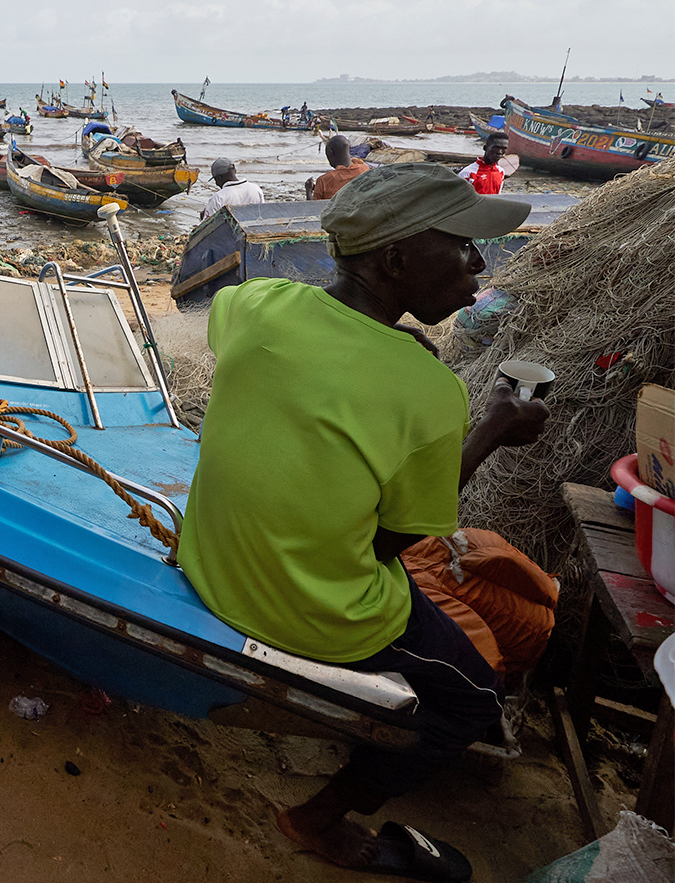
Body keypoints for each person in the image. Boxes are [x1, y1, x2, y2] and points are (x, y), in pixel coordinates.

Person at [176, 162, 548, 879]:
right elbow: (395, 543)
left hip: (208, 562)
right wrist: (491, 432)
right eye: (465, 244)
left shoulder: (257, 304)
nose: (480, 261)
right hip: (306, 612)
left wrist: (365, 333)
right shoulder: (432, 394)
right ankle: (316, 819)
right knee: (472, 699)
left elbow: (257, 321)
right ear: (398, 261)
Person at [307, 135, 370, 201]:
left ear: (330, 153)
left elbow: (313, 208)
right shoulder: (365, 169)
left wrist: (309, 192)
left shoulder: (323, 181)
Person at [200, 158, 264, 221]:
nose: (216, 183)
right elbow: (262, 214)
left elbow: (206, 227)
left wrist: (203, 217)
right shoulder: (256, 189)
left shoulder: (218, 197)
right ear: (235, 171)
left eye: (215, 180)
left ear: (218, 178)